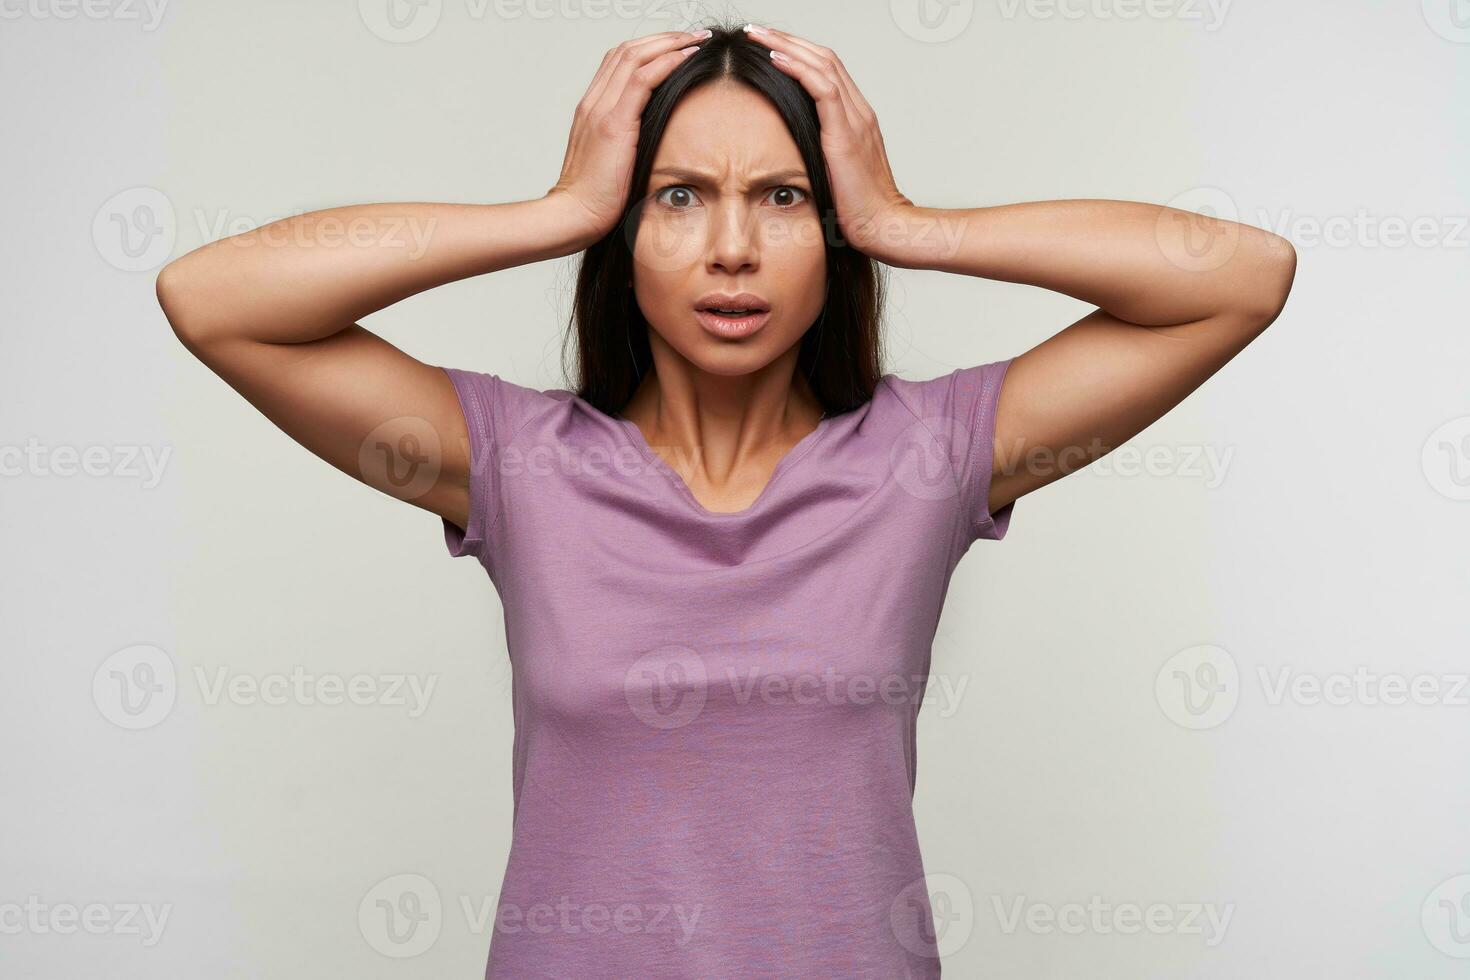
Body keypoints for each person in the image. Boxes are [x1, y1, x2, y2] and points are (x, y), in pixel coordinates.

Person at [154, 21, 1295, 978]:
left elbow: (1240, 279)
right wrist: (555, 210)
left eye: (786, 197)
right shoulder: (513, 461)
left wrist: (906, 223)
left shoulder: (929, 455)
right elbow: (213, 300)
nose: (734, 248)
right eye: (680, 197)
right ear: (626, 232)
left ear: (831, 232)